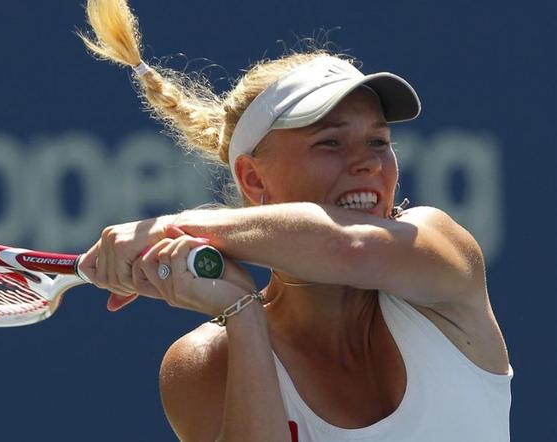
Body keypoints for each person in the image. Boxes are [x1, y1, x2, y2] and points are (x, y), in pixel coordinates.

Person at [77, 0, 512, 441]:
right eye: (330, 142)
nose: (368, 164)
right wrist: (243, 318)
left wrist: (171, 227)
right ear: (253, 178)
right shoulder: (205, 363)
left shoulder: (437, 247)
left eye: (379, 141)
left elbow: (349, 247)